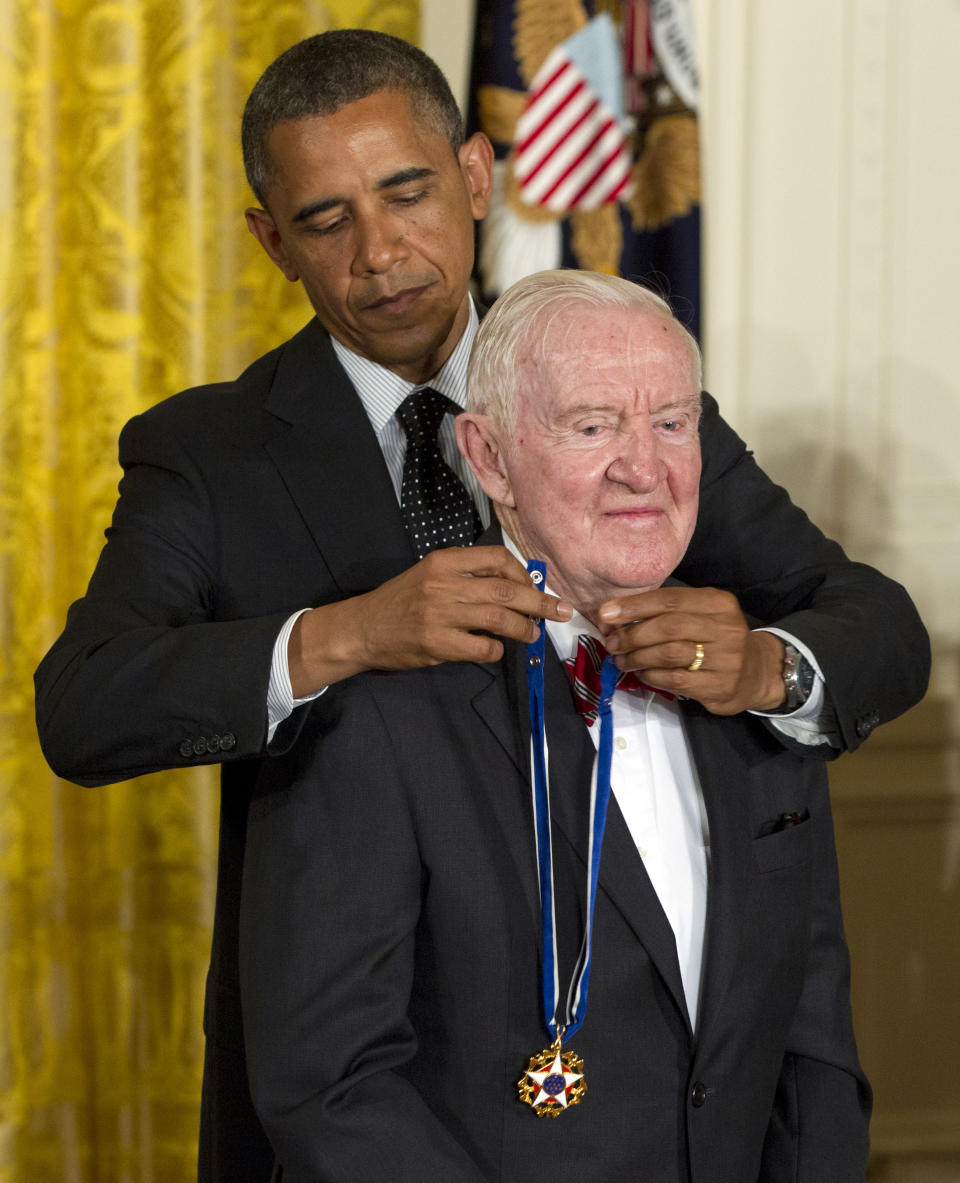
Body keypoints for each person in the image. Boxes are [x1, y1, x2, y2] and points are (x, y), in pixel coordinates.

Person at [33, 29, 923, 1183]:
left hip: (652, 1068)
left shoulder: (618, 395)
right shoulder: (212, 456)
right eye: (325, 219)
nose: (381, 251)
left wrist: (766, 666)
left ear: (475, 177)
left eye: (407, 192)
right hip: (362, 1083)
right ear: (272, 240)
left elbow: (875, 624)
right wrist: (342, 636)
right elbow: (85, 706)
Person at [239, 270, 872, 1182]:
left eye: (671, 421)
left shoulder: (756, 683)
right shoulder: (374, 712)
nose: (644, 467)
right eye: (592, 424)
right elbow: (328, 1087)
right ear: (488, 457)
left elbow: (811, 1048)